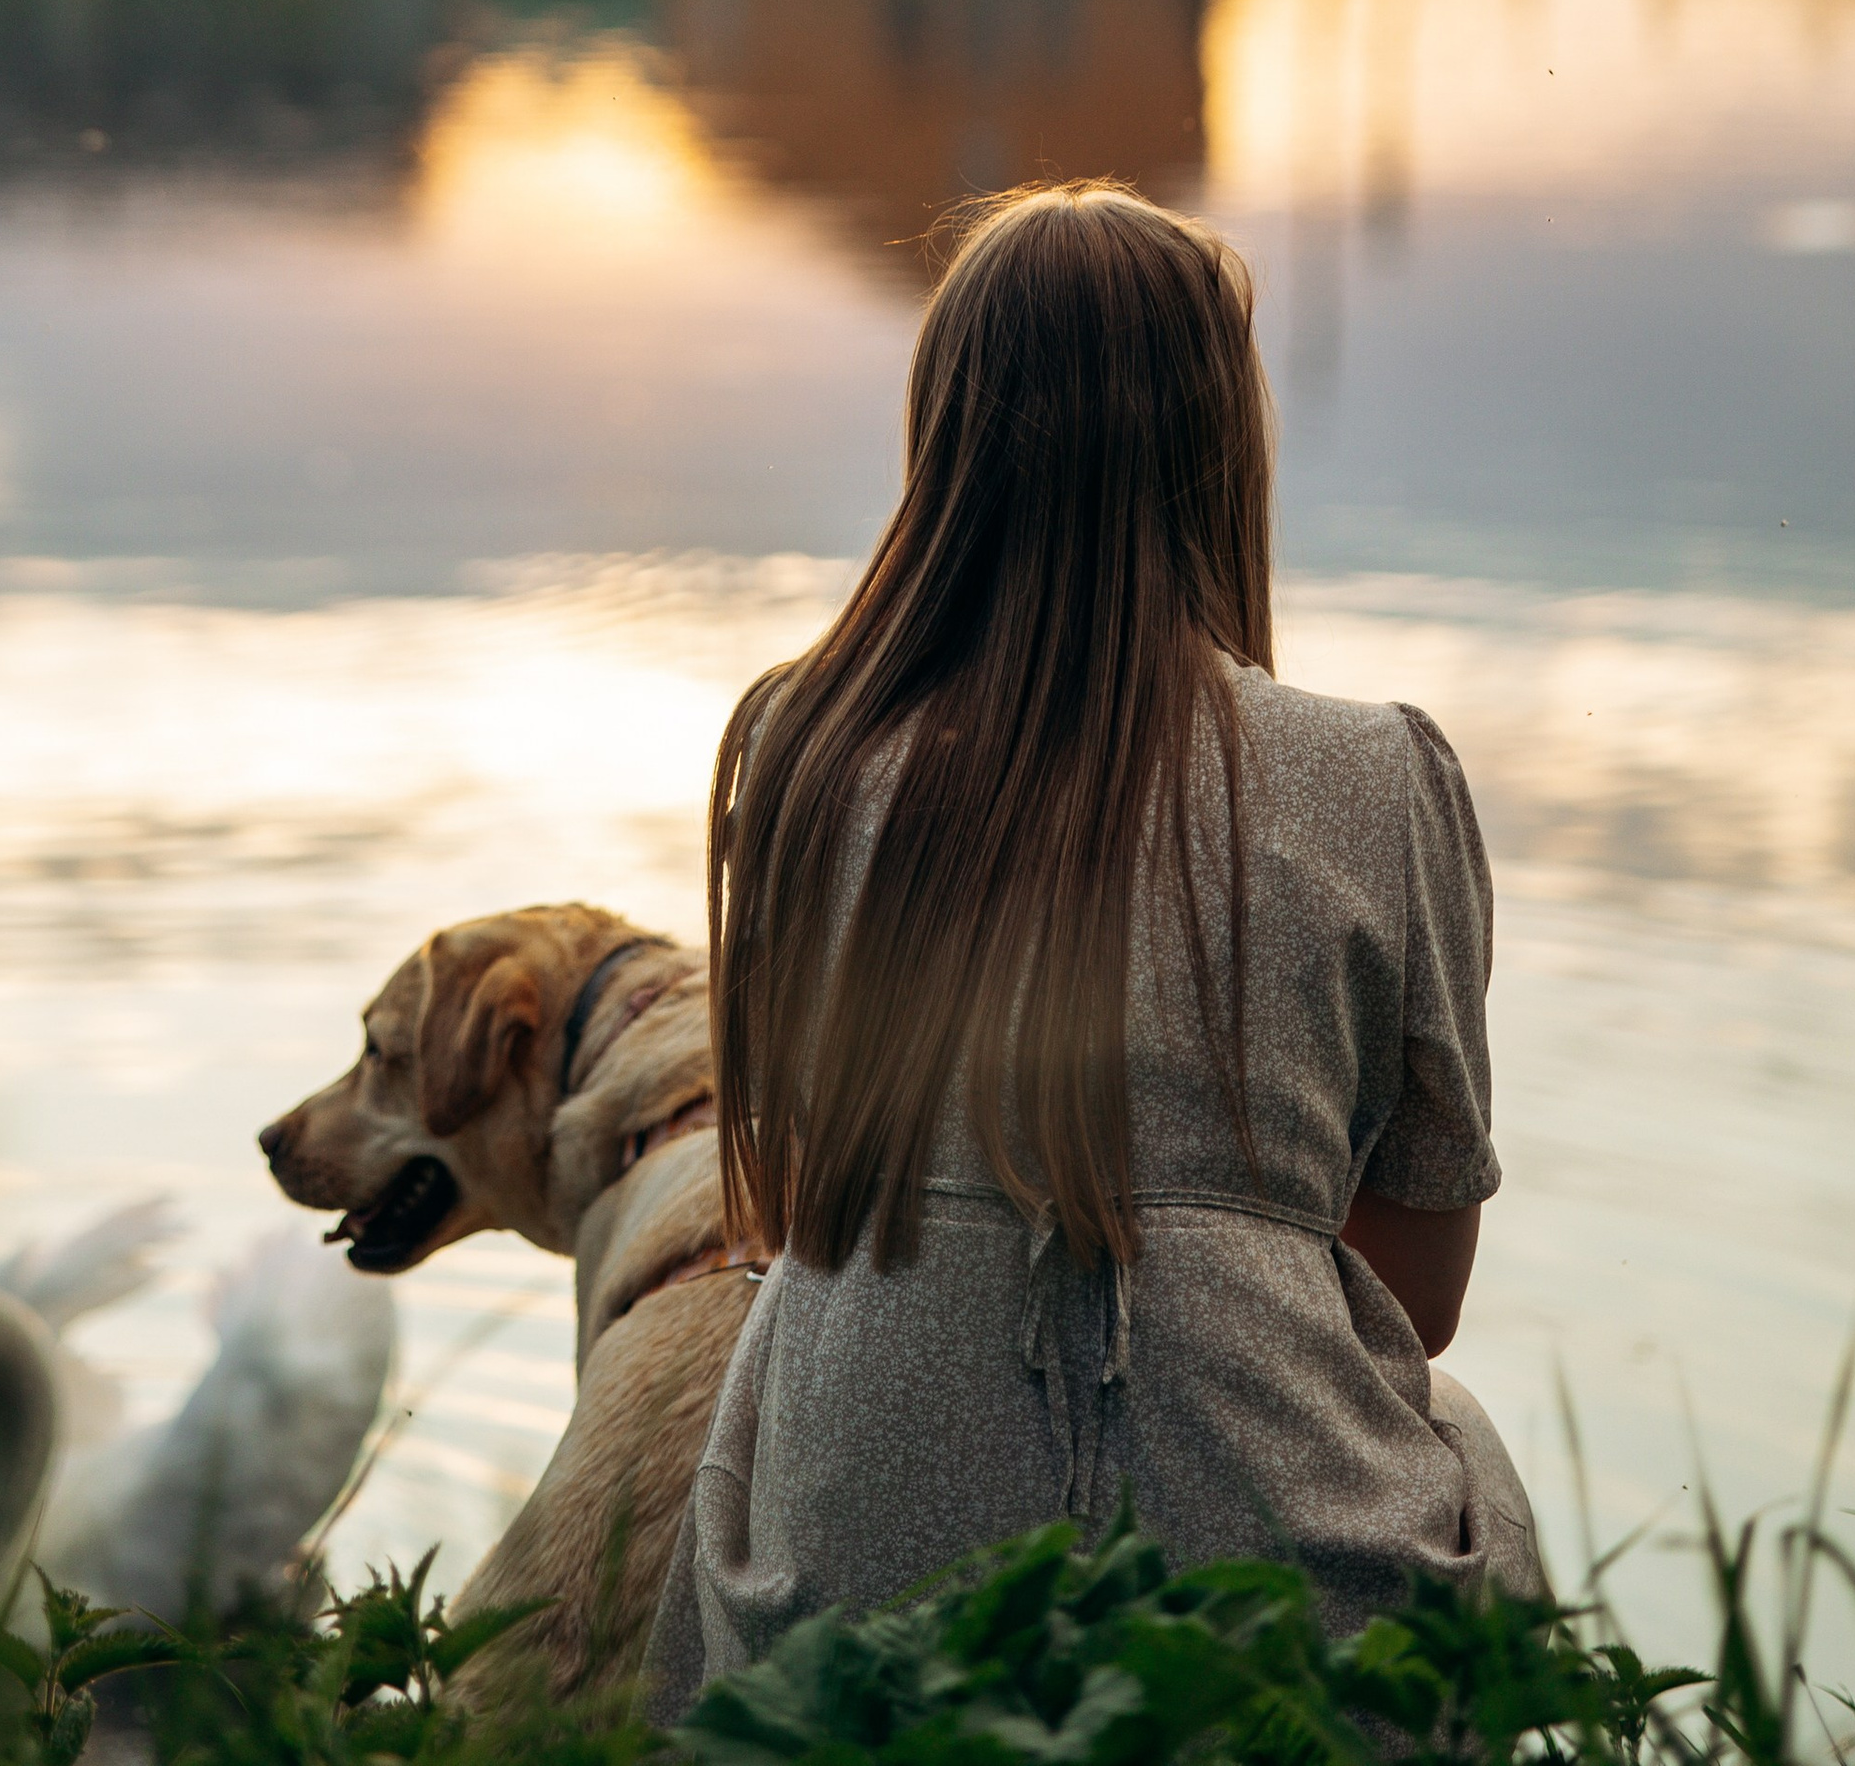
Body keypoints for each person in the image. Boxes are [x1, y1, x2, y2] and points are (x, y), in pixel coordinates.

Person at [647, 182, 1539, 1715]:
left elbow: (804, 1201)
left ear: (947, 433)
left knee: (757, 1422)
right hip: (1262, 1612)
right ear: (1218, 443)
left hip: (853, 1612)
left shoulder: (793, 748)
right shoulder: (1379, 776)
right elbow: (1419, 1293)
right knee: (1468, 1451)